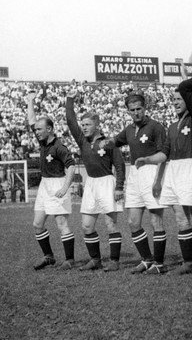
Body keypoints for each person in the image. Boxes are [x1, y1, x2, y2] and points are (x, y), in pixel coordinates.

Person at [135, 66, 192, 275]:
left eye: (179, 99)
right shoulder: (172, 126)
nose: (175, 102)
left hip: (190, 167)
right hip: (173, 170)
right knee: (180, 217)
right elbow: (164, 153)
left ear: (188, 101)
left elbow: (189, 92)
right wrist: (148, 159)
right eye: (173, 100)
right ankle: (188, 262)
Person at [106, 93, 168, 274]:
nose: (136, 113)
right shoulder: (129, 129)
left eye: (139, 109)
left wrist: (158, 181)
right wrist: (100, 141)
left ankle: (159, 263)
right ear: (128, 111)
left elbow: (164, 156)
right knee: (133, 222)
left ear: (145, 108)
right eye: (132, 110)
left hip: (152, 172)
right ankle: (147, 259)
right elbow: (114, 142)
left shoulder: (156, 127)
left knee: (156, 220)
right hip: (134, 174)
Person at [65, 89, 125, 272]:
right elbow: (70, 120)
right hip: (90, 184)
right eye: (82, 124)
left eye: (87, 124)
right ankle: (95, 259)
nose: (83, 127)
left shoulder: (108, 143)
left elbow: (120, 165)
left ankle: (114, 261)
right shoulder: (82, 141)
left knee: (110, 224)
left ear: (97, 125)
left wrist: (119, 187)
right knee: (86, 225)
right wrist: (70, 99)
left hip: (107, 183)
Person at [26, 90, 76, 270]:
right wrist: (31, 100)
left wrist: (64, 187)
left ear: (50, 129)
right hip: (44, 185)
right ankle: (48, 257)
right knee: (37, 224)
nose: (36, 132)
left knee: (61, 224)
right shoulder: (42, 142)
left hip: (57, 184)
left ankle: (70, 259)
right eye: (36, 130)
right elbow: (31, 120)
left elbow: (71, 166)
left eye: (40, 129)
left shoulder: (59, 147)